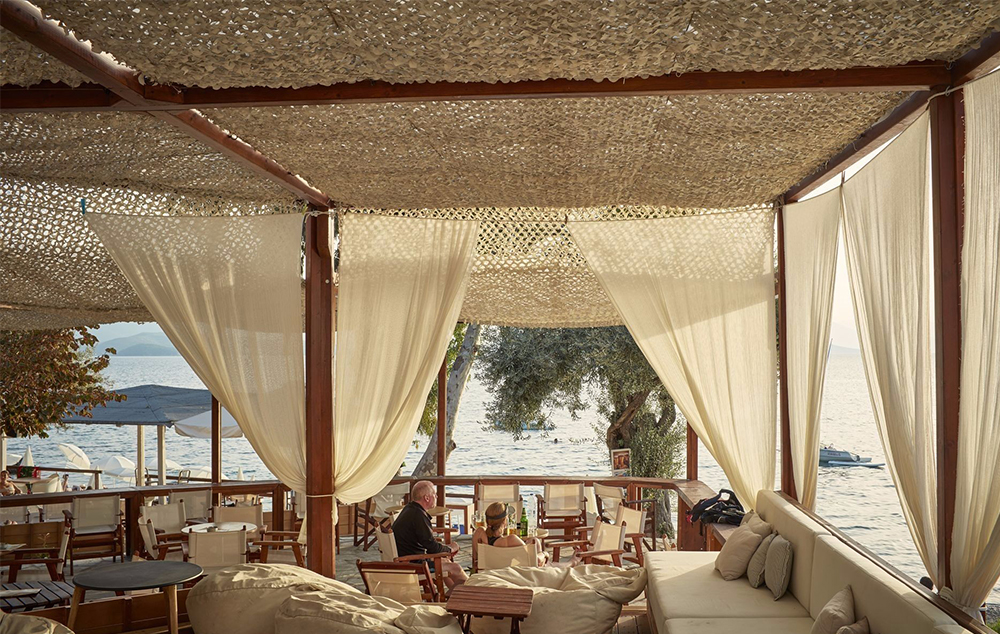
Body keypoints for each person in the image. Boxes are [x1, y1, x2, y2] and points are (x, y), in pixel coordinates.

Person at [391, 480, 468, 590]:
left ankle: (454, 594)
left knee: (445, 561)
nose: (436, 496)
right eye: (434, 494)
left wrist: (444, 551)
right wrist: (450, 549)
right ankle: (473, 592)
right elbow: (433, 548)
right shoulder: (418, 516)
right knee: (456, 568)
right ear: (427, 498)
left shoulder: (409, 509)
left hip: (405, 559)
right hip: (413, 564)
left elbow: (427, 542)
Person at [472, 501, 547, 570]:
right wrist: (543, 553)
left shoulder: (479, 533)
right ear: (505, 520)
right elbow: (535, 561)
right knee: (536, 542)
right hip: (509, 576)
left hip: (488, 574)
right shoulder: (510, 540)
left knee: (533, 541)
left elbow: (475, 561)